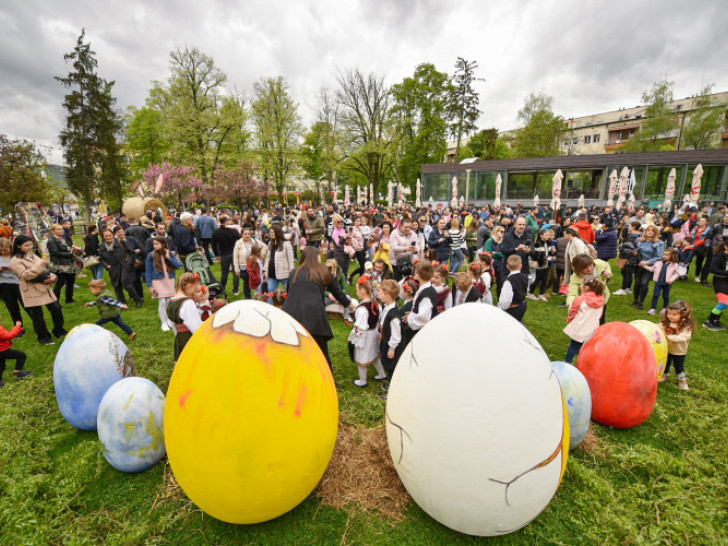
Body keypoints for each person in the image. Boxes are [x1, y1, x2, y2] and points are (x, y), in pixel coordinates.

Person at [282, 246, 355, 371]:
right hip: (313, 315)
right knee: (321, 351)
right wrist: (350, 305)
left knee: (294, 348)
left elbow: (289, 292)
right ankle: (327, 378)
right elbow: (337, 291)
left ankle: (294, 374)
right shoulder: (323, 271)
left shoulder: (294, 272)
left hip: (290, 314)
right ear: (316, 258)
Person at [9, 235, 66, 345]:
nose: (30, 247)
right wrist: (38, 265)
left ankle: (59, 330)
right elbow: (25, 275)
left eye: (31, 245)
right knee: (37, 316)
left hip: (44, 286)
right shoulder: (15, 260)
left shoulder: (32, 255)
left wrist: (53, 276)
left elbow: (45, 269)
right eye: (26, 245)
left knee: (56, 308)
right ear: (18, 246)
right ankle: (44, 338)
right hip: (31, 289)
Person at [349, 277, 387, 387]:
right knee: (374, 355)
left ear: (363, 290)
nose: (356, 292)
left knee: (362, 358)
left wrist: (354, 339)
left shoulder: (362, 309)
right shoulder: (376, 304)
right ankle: (382, 374)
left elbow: (361, 328)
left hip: (365, 338)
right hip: (374, 334)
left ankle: (362, 381)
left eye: (357, 290)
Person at [563, 277, 605, 364]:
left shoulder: (580, 299)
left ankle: (568, 362)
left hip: (580, 326)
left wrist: (570, 318)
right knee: (585, 346)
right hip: (592, 328)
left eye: (581, 284)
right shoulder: (601, 300)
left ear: (586, 287)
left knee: (573, 345)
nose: (580, 285)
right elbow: (600, 315)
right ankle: (583, 360)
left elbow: (573, 312)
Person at [99, 229, 144, 308]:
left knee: (126, 283)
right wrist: (107, 266)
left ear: (113, 235)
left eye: (110, 235)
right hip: (113, 268)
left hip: (124, 266)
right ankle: (122, 303)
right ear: (103, 237)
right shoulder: (101, 246)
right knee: (117, 286)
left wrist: (129, 263)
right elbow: (101, 259)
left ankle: (137, 299)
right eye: (106, 236)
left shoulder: (120, 241)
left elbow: (131, 252)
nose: (108, 237)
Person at [145, 236, 181, 332]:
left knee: (169, 301)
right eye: (154, 244)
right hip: (157, 280)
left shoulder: (169, 253)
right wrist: (150, 286)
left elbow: (178, 266)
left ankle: (169, 319)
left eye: (157, 244)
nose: (155, 246)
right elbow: (148, 271)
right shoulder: (151, 255)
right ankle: (163, 322)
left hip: (169, 280)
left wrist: (169, 258)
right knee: (162, 302)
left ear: (163, 244)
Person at [167, 272, 204, 359]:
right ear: (190, 286)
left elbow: (172, 324)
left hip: (179, 338)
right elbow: (196, 328)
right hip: (190, 338)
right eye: (194, 288)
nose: (194, 292)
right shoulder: (187, 303)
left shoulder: (171, 301)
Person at [660, 300, 696, 390]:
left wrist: (669, 337)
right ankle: (664, 375)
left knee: (679, 367)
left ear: (683, 316)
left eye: (674, 314)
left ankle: (682, 381)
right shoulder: (666, 322)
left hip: (679, 352)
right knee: (665, 363)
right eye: (669, 313)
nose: (670, 316)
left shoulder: (686, 327)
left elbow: (683, 337)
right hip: (666, 349)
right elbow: (659, 329)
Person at [566, 253, 612, 324]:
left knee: (601, 319)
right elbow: (572, 293)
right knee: (589, 321)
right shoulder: (575, 277)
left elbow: (606, 265)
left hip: (602, 298)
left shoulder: (599, 264)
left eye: (590, 265)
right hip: (589, 302)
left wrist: (608, 273)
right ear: (579, 269)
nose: (590, 269)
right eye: (585, 268)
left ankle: (600, 329)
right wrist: (571, 305)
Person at [632, 225, 665, 311]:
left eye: (652, 231)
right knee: (637, 283)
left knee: (644, 283)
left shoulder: (658, 243)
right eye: (648, 230)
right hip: (638, 265)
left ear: (655, 233)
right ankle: (635, 300)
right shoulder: (639, 240)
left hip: (649, 266)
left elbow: (659, 257)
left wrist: (647, 262)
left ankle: (641, 301)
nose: (650, 232)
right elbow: (634, 250)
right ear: (645, 231)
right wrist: (634, 253)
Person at [378, 279, 404, 385]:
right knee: (386, 362)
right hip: (386, 340)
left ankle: (392, 386)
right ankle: (390, 381)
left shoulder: (394, 316)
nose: (378, 294)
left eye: (380, 293)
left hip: (392, 345)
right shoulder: (387, 308)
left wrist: (392, 349)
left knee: (391, 365)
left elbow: (396, 335)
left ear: (388, 297)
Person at [402, 260, 438, 334]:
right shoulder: (424, 288)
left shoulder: (427, 294)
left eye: (415, 271)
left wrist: (410, 318)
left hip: (423, 333)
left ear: (418, 275)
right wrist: (412, 314)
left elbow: (423, 318)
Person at [48, 223, 79, 304]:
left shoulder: (63, 238)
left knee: (71, 282)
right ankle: (56, 302)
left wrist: (73, 251)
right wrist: (69, 254)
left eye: (62, 228)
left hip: (69, 263)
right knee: (60, 283)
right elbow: (55, 253)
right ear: (53, 231)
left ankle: (69, 299)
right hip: (60, 265)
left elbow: (68, 248)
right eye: (58, 229)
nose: (61, 230)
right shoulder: (52, 240)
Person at [0, 238, 27, 331]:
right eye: (1, 251)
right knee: (12, 308)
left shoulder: (17, 256)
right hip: (4, 285)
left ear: (10, 247)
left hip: (18, 283)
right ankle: (18, 328)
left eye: (5, 250)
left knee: (27, 306)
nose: (3, 252)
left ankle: (39, 326)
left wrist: (15, 268)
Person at [264, 224, 295, 303]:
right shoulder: (270, 244)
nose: (271, 234)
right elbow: (267, 258)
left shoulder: (286, 243)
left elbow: (290, 259)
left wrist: (292, 272)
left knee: (289, 291)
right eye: (270, 232)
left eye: (273, 232)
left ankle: (290, 305)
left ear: (277, 233)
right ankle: (270, 307)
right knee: (270, 291)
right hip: (272, 274)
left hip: (284, 273)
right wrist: (265, 270)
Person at [644, 248, 680, 315]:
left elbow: (676, 274)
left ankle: (665, 308)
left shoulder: (674, 265)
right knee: (655, 295)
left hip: (667, 283)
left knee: (665, 296)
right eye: (664, 254)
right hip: (658, 282)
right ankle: (653, 309)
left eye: (666, 255)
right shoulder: (658, 263)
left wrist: (671, 280)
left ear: (672, 256)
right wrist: (644, 266)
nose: (664, 256)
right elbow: (652, 269)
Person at [212, 215, 241, 296]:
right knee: (235, 272)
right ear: (226, 221)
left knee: (224, 272)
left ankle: (222, 289)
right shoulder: (233, 231)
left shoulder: (216, 232)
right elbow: (239, 240)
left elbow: (213, 245)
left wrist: (216, 255)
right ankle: (235, 290)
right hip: (233, 253)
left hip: (224, 254)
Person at [703, 241, 728, 331]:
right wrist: (726, 273)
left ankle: (716, 320)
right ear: (726, 246)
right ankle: (708, 322)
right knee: (724, 302)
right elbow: (712, 269)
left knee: (723, 302)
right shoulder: (719, 256)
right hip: (719, 280)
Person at [0, 315, 30, 387]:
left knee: (1, 366)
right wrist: (17, 327)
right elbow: (9, 335)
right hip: (3, 350)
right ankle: (18, 372)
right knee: (21, 355)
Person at [498, 255, 528, 322]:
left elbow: (505, 300)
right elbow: (526, 289)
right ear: (521, 266)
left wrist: (501, 308)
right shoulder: (525, 276)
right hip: (522, 304)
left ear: (507, 267)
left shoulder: (508, 282)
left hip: (513, 309)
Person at [233, 227, 257, 299]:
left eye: (248, 234)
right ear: (242, 235)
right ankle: (248, 298)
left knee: (256, 282)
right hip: (244, 267)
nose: (247, 235)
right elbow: (235, 256)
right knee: (247, 284)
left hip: (254, 266)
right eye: (245, 234)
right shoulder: (239, 243)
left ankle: (257, 297)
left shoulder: (254, 242)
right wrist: (237, 269)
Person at [527, 228, 550, 301]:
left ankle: (541, 294)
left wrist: (550, 256)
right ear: (541, 235)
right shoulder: (537, 244)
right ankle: (530, 293)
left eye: (548, 235)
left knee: (545, 280)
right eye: (546, 235)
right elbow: (535, 255)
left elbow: (547, 252)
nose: (548, 236)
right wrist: (542, 258)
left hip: (546, 264)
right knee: (537, 279)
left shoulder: (546, 243)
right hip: (539, 265)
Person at [690, 215, 712, 286]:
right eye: (700, 221)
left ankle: (697, 276)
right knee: (688, 259)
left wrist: (695, 245)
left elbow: (704, 240)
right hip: (692, 246)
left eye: (702, 221)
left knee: (699, 262)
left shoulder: (708, 230)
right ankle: (683, 275)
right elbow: (690, 235)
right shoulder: (695, 228)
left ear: (706, 222)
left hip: (701, 248)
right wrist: (689, 243)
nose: (700, 222)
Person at [347, 216, 367, 284]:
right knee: (363, 266)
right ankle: (350, 276)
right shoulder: (352, 228)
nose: (358, 222)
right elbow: (350, 238)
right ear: (354, 222)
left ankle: (360, 279)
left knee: (363, 266)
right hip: (357, 249)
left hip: (362, 248)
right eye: (357, 221)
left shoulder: (360, 228)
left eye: (359, 221)